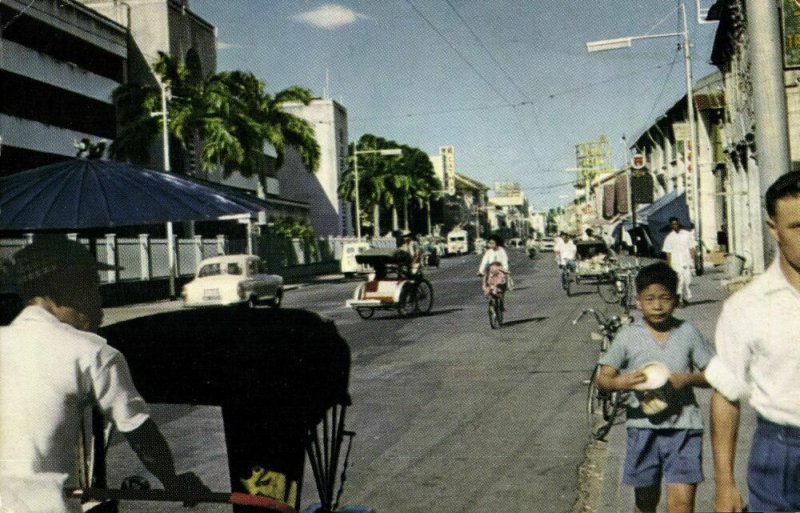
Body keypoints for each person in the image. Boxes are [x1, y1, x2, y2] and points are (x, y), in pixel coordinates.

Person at [0, 237, 207, 512]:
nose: (100, 304)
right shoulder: (92, 351)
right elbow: (139, 432)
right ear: (58, 290)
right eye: (93, 288)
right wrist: (173, 482)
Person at [704, 171, 800, 513]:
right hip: (783, 454)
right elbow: (726, 396)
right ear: (773, 228)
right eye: (798, 227)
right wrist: (725, 484)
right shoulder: (746, 307)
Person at [596, 261, 713, 513]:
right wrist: (620, 382)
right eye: (649, 299)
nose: (657, 306)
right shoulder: (628, 335)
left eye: (664, 298)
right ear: (638, 301)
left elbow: (714, 374)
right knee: (646, 503)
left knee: (682, 506)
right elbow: (603, 378)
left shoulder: (688, 332)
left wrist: (688, 379)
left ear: (676, 299)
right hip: (642, 428)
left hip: (684, 427)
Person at [662, 217, 696, 307]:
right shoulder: (669, 238)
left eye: (676, 224)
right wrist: (669, 265)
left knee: (687, 281)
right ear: (671, 226)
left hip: (686, 261)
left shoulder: (686, 234)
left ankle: (683, 298)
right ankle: (680, 300)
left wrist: (692, 260)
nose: (675, 226)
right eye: (673, 224)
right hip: (675, 262)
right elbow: (668, 252)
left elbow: (692, 248)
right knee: (680, 281)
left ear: (679, 224)